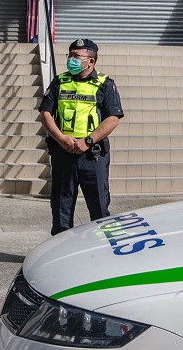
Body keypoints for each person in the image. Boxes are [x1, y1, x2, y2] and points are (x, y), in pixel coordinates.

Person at [38, 38, 124, 235]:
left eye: (76, 56)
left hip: (92, 155)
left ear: (91, 61)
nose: (71, 59)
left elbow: (113, 118)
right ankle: (60, 254)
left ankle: (103, 254)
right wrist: (61, 138)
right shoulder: (59, 81)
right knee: (61, 207)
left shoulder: (105, 83)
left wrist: (88, 141)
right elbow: (45, 114)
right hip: (63, 152)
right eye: (69, 55)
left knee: (99, 208)